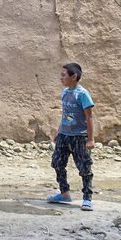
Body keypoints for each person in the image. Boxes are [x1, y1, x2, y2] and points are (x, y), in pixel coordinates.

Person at [47, 62, 95, 211]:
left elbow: (89, 117)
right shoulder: (65, 93)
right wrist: (59, 130)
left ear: (74, 77)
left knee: (84, 167)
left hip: (79, 137)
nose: (61, 78)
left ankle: (87, 198)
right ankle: (64, 193)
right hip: (64, 135)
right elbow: (66, 114)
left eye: (63, 75)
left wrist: (91, 139)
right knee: (57, 163)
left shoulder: (83, 94)